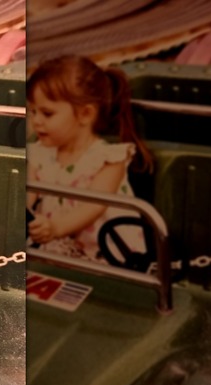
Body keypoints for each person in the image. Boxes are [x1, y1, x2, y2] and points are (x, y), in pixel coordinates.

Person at [26, 54, 154, 262]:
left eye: (47, 114)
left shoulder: (110, 159)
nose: (36, 121)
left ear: (85, 114)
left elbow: (94, 206)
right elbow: (28, 195)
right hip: (56, 248)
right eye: (33, 111)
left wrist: (56, 227)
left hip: (108, 253)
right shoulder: (39, 153)